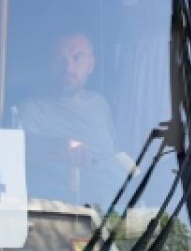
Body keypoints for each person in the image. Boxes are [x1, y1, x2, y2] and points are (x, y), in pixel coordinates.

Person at [18, 31, 121, 202]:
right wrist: (59, 147)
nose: (68, 68)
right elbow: (19, 147)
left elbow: (115, 155)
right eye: (60, 59)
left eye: (77, 58)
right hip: (70, 211)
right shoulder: (33, 109)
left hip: (120, 204)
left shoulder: (100, 104)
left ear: (91, 64)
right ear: (50, 64)